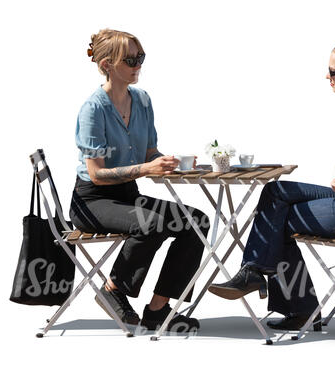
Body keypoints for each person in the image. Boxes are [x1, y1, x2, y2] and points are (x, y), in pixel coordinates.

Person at [208, 41, 335, 331]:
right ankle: (254, 271)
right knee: (274, 191)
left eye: (333, 71)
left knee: (277, 220)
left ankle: (292, 303)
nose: (327, 76)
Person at [69, 29, 209, 332]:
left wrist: (171, 163)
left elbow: (150, 152)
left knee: (196, 221)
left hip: (127, 195)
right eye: (129, 59)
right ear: (107, 64)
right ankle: (112, 290)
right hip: (93, 200)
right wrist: (147, 168)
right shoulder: (93, 110)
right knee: (151, 223)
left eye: (140, 57)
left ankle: (158, 309)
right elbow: (96, 174)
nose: (137, 65)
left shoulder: (142, 100)